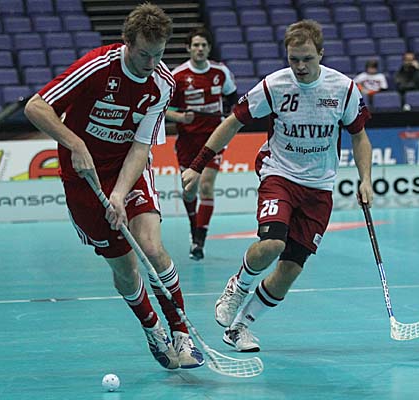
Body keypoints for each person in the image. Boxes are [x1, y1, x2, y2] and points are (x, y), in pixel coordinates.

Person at [24, 3, 204, 369]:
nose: (151, 63)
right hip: (83, 177)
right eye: (144, 54)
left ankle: (181, 332)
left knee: (151, 248)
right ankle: (152, 327)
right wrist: (76, 144)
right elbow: (35, 107)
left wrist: (120, 194)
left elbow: (141, 146)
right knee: (124, 268)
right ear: (127, 43)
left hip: (128, 169)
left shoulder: (162, 83)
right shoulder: (97, 66)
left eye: (158, 54)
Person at [182, 19, 374, 352]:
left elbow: (359, 136)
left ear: (321, 54)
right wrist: (198, 165)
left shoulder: (343, 89)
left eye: (307, 59)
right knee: (271, 244)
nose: (300, 66)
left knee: (290, 270)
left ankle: (240, 327)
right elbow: (232, 122)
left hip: (319, 187)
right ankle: (238, 286)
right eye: (293, 59)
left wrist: (366, 179)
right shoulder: (274, 85)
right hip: (279, 175)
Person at [165, 28, 238, 261]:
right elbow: (163, 109)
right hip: (187, 142)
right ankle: (193, 227)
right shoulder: (178, 76)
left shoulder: (220, 72)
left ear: (209, 48)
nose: (200, 49)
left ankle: (199, 240)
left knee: (206, 185)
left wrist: (228, 115)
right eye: (195, 45)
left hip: (214, 139)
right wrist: (179, 117)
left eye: (203, 45)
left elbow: (233, 99)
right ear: (188, 48)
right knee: (189, 190)